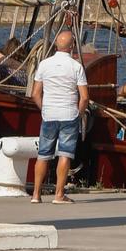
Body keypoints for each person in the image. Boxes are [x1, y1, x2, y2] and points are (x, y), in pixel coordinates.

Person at [30, 29, 88, 205]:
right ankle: (59, 194)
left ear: (55, 44)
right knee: (65, 154)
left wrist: (44, 109)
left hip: (49, 115)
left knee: (43, 154)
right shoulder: (76, 66)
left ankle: (36, 194)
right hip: (69, 114)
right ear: (72, 46)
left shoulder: (44, 64)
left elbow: (35, 93)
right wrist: (79, 114)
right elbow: (84, 97)